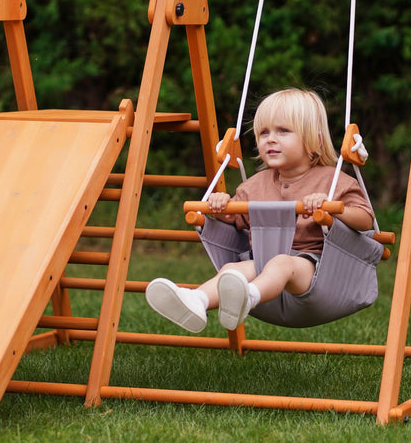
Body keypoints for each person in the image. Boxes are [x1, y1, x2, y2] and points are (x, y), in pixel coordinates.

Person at [146, 87, 374, 333]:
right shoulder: (253, 185)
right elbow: (236, 222)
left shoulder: (333, 181)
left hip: (314, 270)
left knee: (281, 263)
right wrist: (222, 207)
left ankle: (248, 297)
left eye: (283, 131)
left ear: (314, 141)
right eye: (263, 132)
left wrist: (333, 210)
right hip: (262, 262)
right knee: (232, 270)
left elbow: (365, 219)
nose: (270, 139)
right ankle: (196, 301)